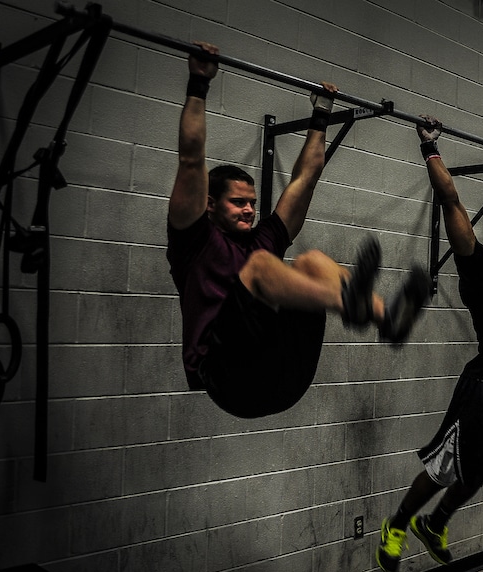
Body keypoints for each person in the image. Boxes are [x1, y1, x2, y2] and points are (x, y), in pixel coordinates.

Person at [166, 42, 430, 418]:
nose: (249, 210)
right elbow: (191, 159)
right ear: (209, 204)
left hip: (286, 376)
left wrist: (321, 114)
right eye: (238, 202)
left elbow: (307, 178)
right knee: (261, 266)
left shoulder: (262, 238)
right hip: (229, 378)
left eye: (253, 202)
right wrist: (198, 83)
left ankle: (387, 318)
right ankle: (351, 303)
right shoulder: (194, 241)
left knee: (312, 261)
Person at [376, 116, 483, 572]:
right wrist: (430, 147)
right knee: (446, 467)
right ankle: (397, 524)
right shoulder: (477, 266)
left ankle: (436, 524)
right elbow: (450, 198)